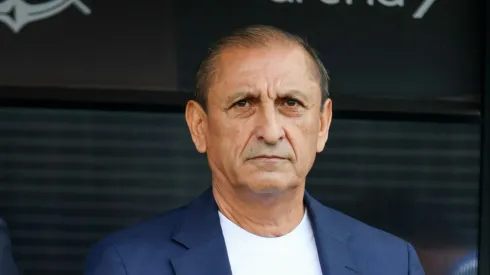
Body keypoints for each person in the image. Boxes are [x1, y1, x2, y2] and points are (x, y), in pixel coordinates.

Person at [84, 25, 425, 275]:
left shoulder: (393, 263)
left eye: (291, 103)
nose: (271, 131)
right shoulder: (128, 264)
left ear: (323, 124)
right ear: (199, 126)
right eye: (243, 103)